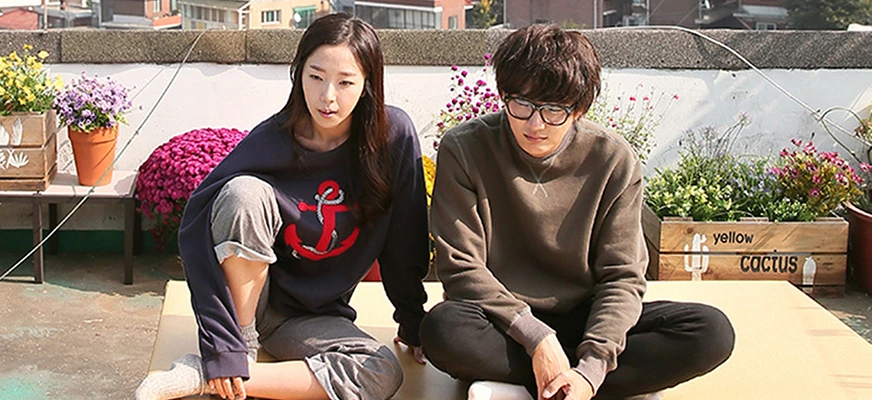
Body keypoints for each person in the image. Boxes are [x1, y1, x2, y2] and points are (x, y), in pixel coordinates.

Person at [418, 24, 735, 400]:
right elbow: (461, 269)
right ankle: (577, 383)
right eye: (521, 104)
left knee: (711, 331)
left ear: (580, 109)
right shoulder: (465, 148)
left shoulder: (613, 159)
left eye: (554, 109)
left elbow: (622, 276)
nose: (535, 123)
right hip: (503, 322)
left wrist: (593, 365)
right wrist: (538, 339)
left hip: (586, 316)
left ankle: (559, 385)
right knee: (443, 329)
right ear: (503, 95)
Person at [135, 13, 429, 400]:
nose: (327, 96)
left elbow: (406, 236)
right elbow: (196, 222)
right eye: (316, 76)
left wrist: (411, 319)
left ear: (367, 84)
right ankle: (239, 352)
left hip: (315, 319)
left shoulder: (392, 138)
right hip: (251, 308)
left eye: (345, 82)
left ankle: (213, 377)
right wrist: (223, 345)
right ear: (298, 73)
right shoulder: (270, 141)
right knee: (243, 193)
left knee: (381, 371)